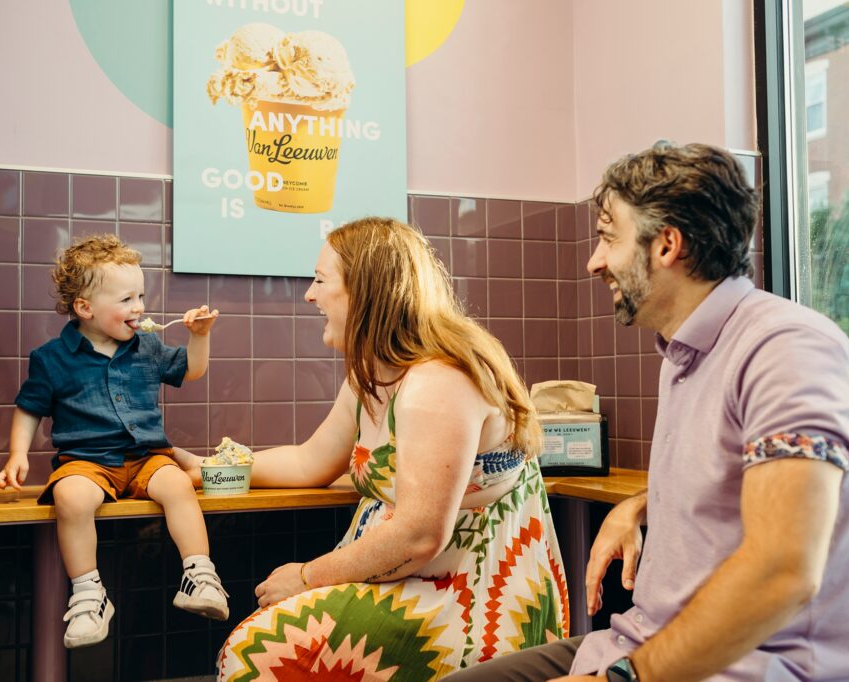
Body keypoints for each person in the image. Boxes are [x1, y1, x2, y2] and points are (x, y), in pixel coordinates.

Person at [446, 142, 849, 681]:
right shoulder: (686, 351)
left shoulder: (787, 350)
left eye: (608, 238)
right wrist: (640, 504)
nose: (594, 261)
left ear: (667, 245)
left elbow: (783, 570)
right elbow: (745, 477)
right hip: (644, 638)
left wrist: (622, 679)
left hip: (756, 665)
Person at [173, 217, 568, 679]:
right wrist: (207, 468)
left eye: (321, 281)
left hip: (464, 596)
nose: (309, 294)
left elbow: (419, 534)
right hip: (408, 576)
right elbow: (309, 462)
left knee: (259, 651)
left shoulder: (438, 380)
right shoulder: (372, 374)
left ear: (366, 291)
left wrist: (306, 577)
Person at [0, 234, 230, 649]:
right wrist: (17, 454)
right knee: (71, 499)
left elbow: (191, 370)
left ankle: (200, 575)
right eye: (126, 299)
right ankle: (89, 594)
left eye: (140, 295)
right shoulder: (51, 358)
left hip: (146, 457)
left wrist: (201, 335)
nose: (139, 307)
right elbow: (29, 407)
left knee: (177, 485)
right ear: (85, 308)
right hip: (85, 460)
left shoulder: (149, 345)